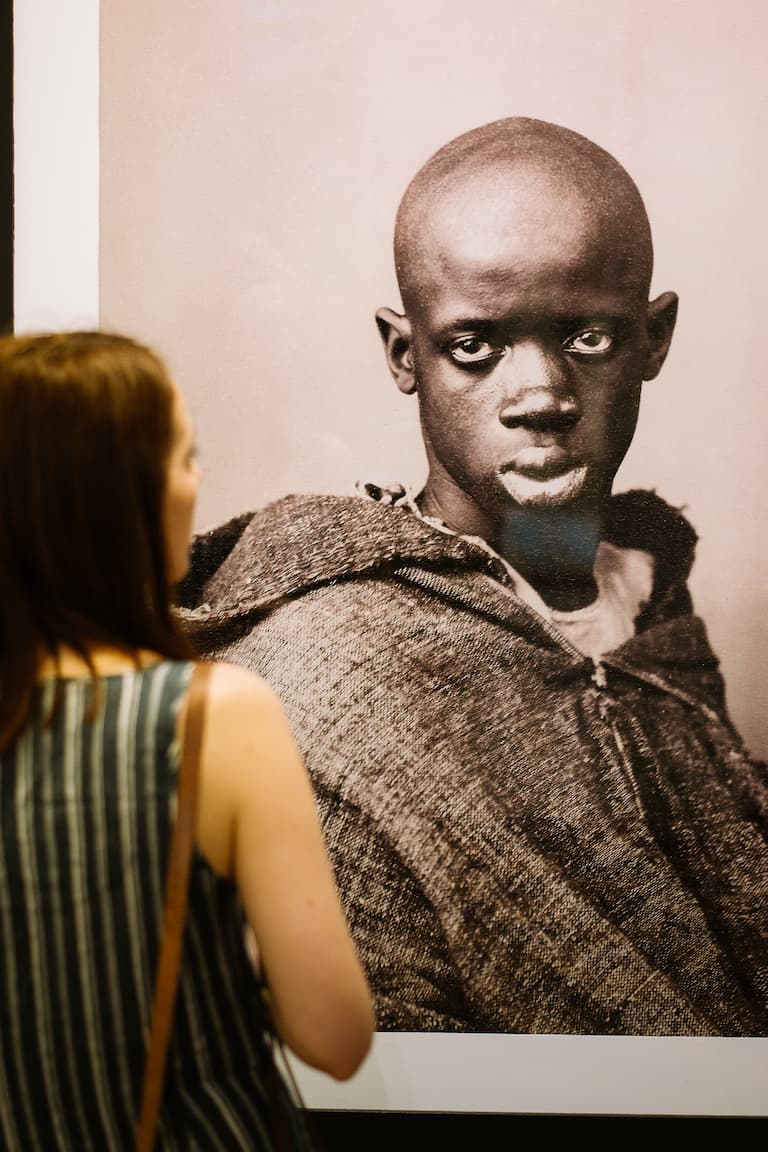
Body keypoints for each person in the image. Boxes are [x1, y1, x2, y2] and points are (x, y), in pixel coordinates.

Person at [178, 118, 768, 1037]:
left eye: (589, 338)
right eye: (473, 345)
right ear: (404, 352)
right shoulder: (316, 672)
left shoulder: (652, 604)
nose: (539, 395)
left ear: (655, 338)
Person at [0, 330, 374, 1150]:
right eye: (184, 456)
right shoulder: (213, 717)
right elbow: (334, 1037)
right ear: (119, 500)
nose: (198, 481)